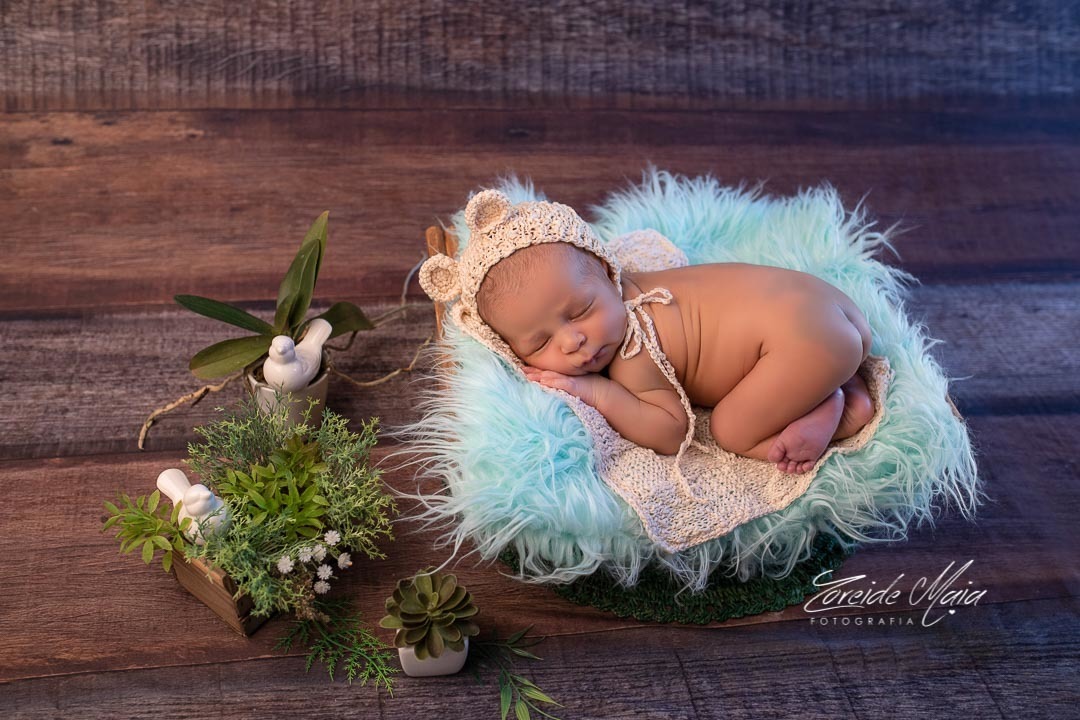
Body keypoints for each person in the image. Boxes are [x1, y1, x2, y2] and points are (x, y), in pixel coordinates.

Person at [420, 188, 876, 476]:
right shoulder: (637, 282)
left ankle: (829, 406)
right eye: (540, 343)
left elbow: (672, 431)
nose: (573, 341)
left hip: (801, 340)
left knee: (730, 429)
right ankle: (842, 382)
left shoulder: (635, 348)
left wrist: (592, 391)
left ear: (607, 271)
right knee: (814, 354)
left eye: (581, 311)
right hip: (827, 306)